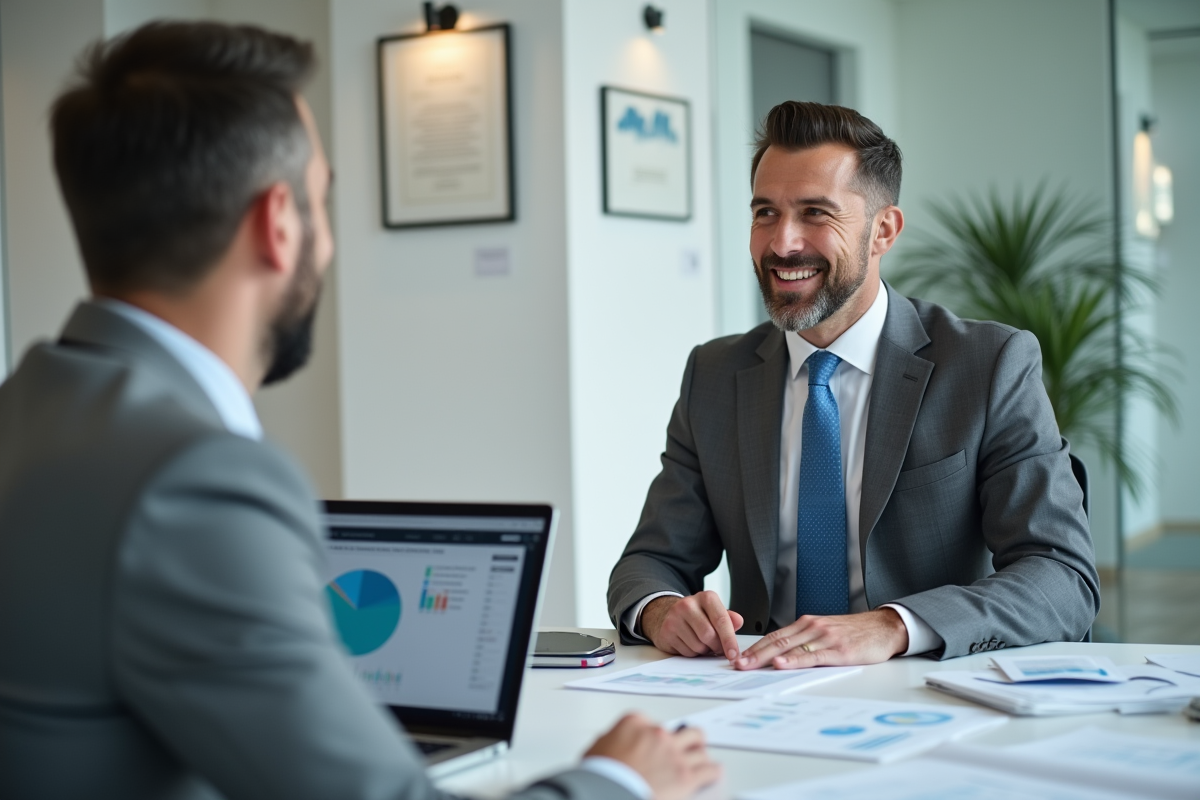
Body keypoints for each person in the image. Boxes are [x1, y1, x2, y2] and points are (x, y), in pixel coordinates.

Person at [0, 22, 717, 800]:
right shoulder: (194, 480)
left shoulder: (27, 406)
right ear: (278, 224)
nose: (330, 241)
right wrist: (617, 780)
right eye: (322, 198)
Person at [607, 101, 1099, 669]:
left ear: (882, 231)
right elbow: (650, 561)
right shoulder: (714, 374)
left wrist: (893, 626)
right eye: (765, 213)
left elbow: (1061, 576)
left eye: (815, 213)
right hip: (756, 685)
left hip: (917, 686)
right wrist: (660, 610)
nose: (782, 243)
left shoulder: (987, 366)